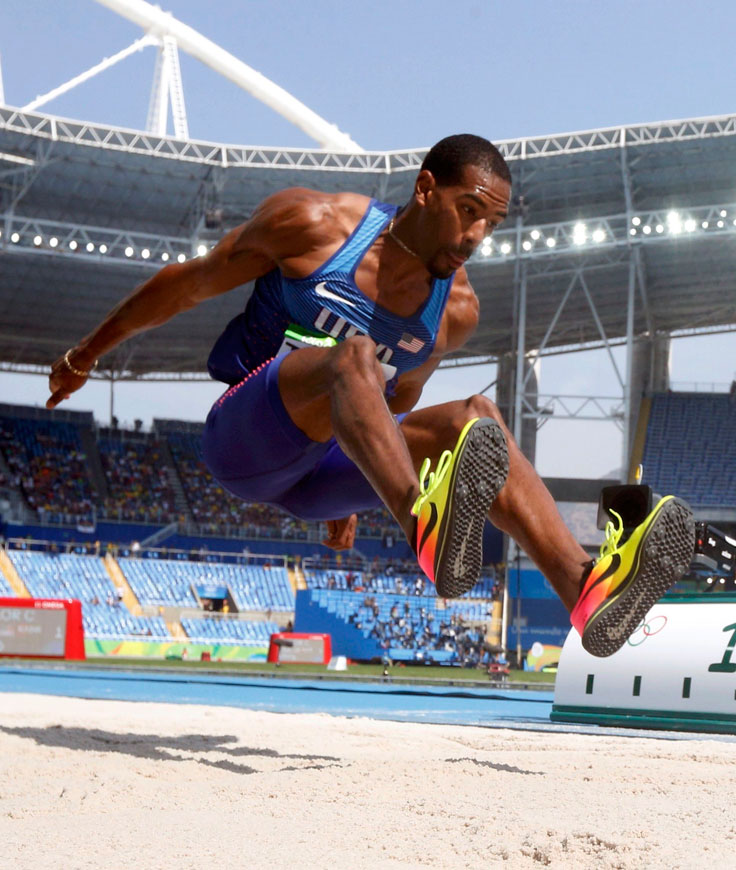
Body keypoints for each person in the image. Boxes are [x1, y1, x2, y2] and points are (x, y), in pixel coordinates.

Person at [46, 133, 692, 658]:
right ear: (425, 189)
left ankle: (584, 589)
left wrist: (360, 476)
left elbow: (400, 403)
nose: (474, 237)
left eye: (490, 223)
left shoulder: (454, 312)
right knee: (353, 356)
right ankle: (422, 521)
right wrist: (84, 355)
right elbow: (186, 285)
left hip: (322, 478)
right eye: (468, 211)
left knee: (478, 419)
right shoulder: (311, 224)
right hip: (245, 438)